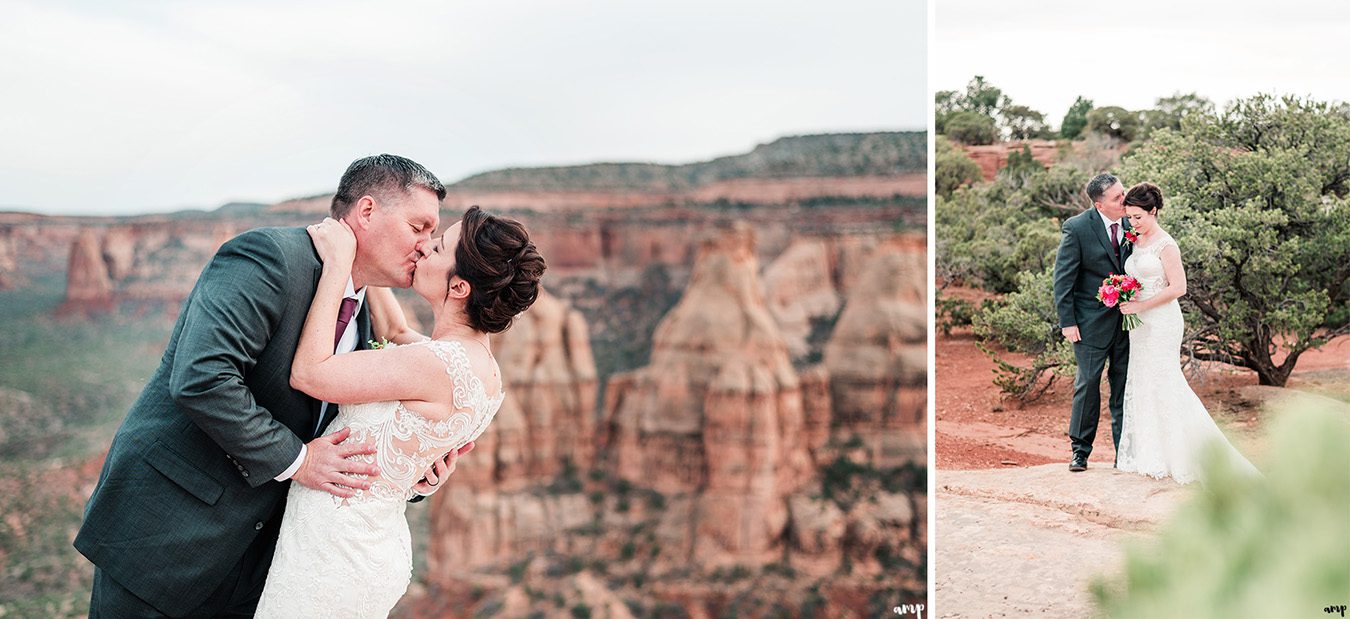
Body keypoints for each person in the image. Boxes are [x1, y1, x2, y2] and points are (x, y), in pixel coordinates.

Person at [75, 154, 470, 617]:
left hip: (262, 567)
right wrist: (299, 460)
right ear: (367, 212)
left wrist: (413, 475)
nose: (426, 247)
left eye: (432, 235)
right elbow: (203, 378)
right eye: (418, 227)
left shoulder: (365, 313)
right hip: (166, 539)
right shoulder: (269, 258)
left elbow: (349, 435)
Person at [255, 206, 544, 616]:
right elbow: (393, 332)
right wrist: (367, 253)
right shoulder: (480, 370)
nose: (425, 247)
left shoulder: (434, 366)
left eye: (439, 247)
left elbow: (310, 373)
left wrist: (339, 265)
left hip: (335, 552)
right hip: (365, 544)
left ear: (459, 287)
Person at [1115, 182, 1259, 483]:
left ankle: (1192, 455)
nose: (1133, 222)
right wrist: (1125, 297)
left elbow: (1179, 287)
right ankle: (1152, 455)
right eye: (1130, 217)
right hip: (1139, 325)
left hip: (1162, 321)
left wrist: (1142, 306)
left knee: (1166, 382)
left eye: (1139, 216)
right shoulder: (1135, 240)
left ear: (1154, 211)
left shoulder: (1166, 244)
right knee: (1143, 381)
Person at [1053, 173, 1133, 472]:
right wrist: (1067, 322)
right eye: (1117, 197)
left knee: (1123, 387)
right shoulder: (1077, 228)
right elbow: (1063, 279)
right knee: (1087, 384)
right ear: (1100, 205)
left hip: (1127, 324)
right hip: (1088, 324)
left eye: (1123, 192)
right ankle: (1080, 451)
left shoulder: (1132, 223)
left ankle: (1123, 453)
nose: (1124, 200)